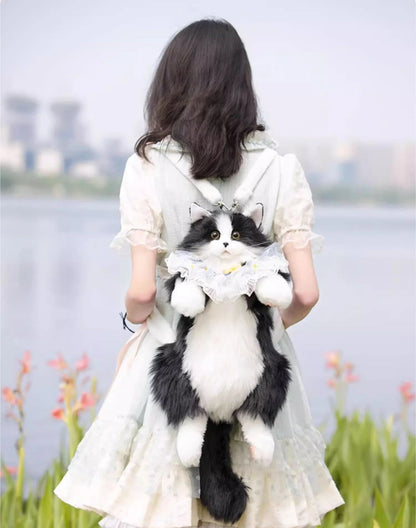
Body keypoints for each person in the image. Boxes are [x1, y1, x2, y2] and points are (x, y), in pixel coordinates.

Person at [54, 17, 345, 528]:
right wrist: (254, 334)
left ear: (172, 83)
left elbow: (142, 291)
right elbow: (307, 293)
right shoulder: (282, 170)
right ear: (243, 88)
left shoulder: (146, 167)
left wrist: (132, 327)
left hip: (173, 365)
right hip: (257, 374)